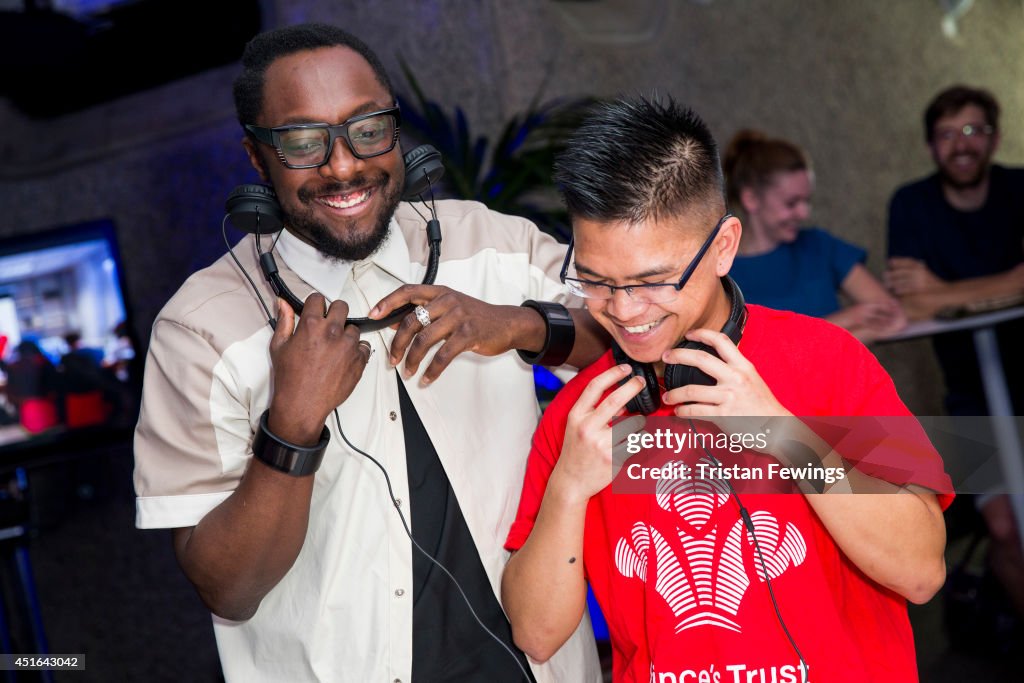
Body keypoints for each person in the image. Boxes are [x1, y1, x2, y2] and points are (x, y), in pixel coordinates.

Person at [132, 23, 609, 683]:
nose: (344, 164)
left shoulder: (491, 243)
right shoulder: (199, 329)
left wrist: (521, 324)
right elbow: (227, 588)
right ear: (255, 159)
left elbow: (631, 330)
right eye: (303, 141)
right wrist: (291, 423)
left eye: (367, 128)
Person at [501, 94, 953, 682]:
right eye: (595, 281)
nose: (623, 310)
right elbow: (535, 635)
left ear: (723, 247)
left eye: (653, 281)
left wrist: (787, 440)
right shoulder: (581, 413)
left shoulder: (828, 360)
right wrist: (568, 486)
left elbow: (921, 572)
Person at [885, 84, 1024, 641]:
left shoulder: (1020, 187)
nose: (961, 144)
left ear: (993, 136)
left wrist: (945, 289)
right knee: (1007, 532)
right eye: (947, 134)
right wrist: (1011, 281)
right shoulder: (911, 203)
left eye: (972, 130)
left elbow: (930, 295)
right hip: (968, 396)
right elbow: (909, 302)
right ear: (930, 147)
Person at [723, 129, 906, 344]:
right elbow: (759, 354)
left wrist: (821, 337)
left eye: (806, 201)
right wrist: (848, 319)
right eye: (791, 203)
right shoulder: (723, 271)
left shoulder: (819, 246)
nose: (804, 213)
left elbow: (893, 316)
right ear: (751, 199)